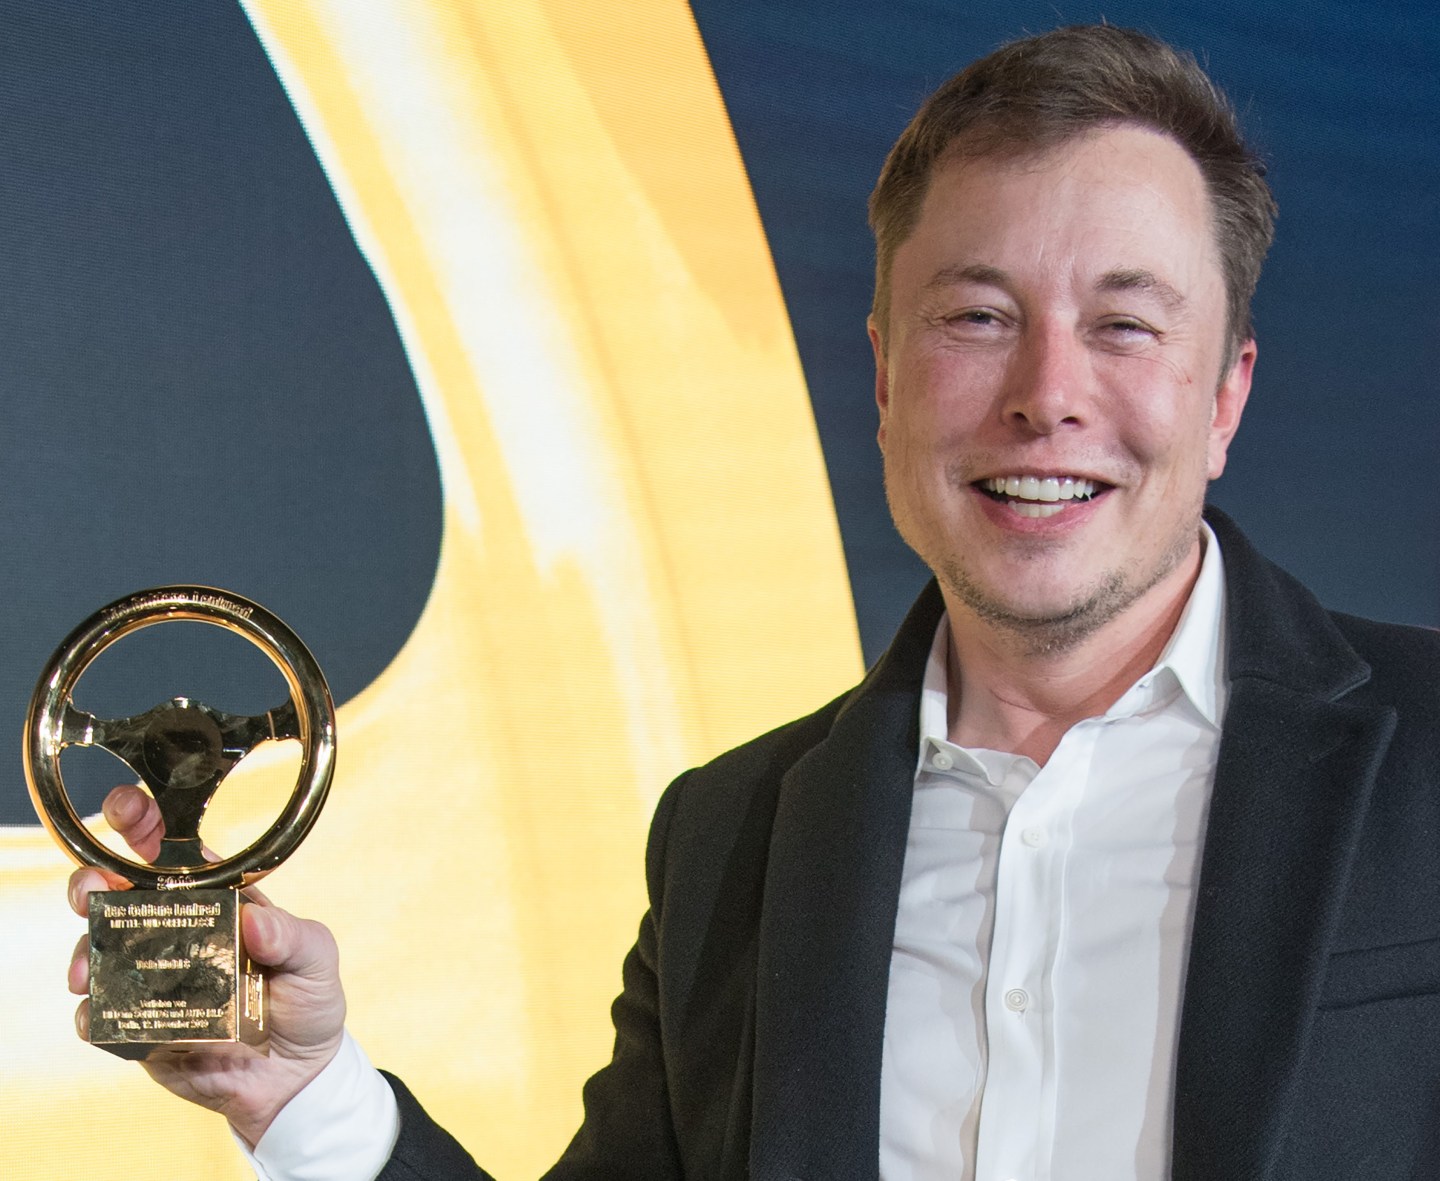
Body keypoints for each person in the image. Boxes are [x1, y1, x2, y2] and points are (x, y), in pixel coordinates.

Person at [67, 23, 1440, 1181]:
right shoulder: (732, 839)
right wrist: (302, 1089)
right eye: (976, 316)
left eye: (1126, 323)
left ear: (1227, 393)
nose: (1047, 393)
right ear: (888, 379)